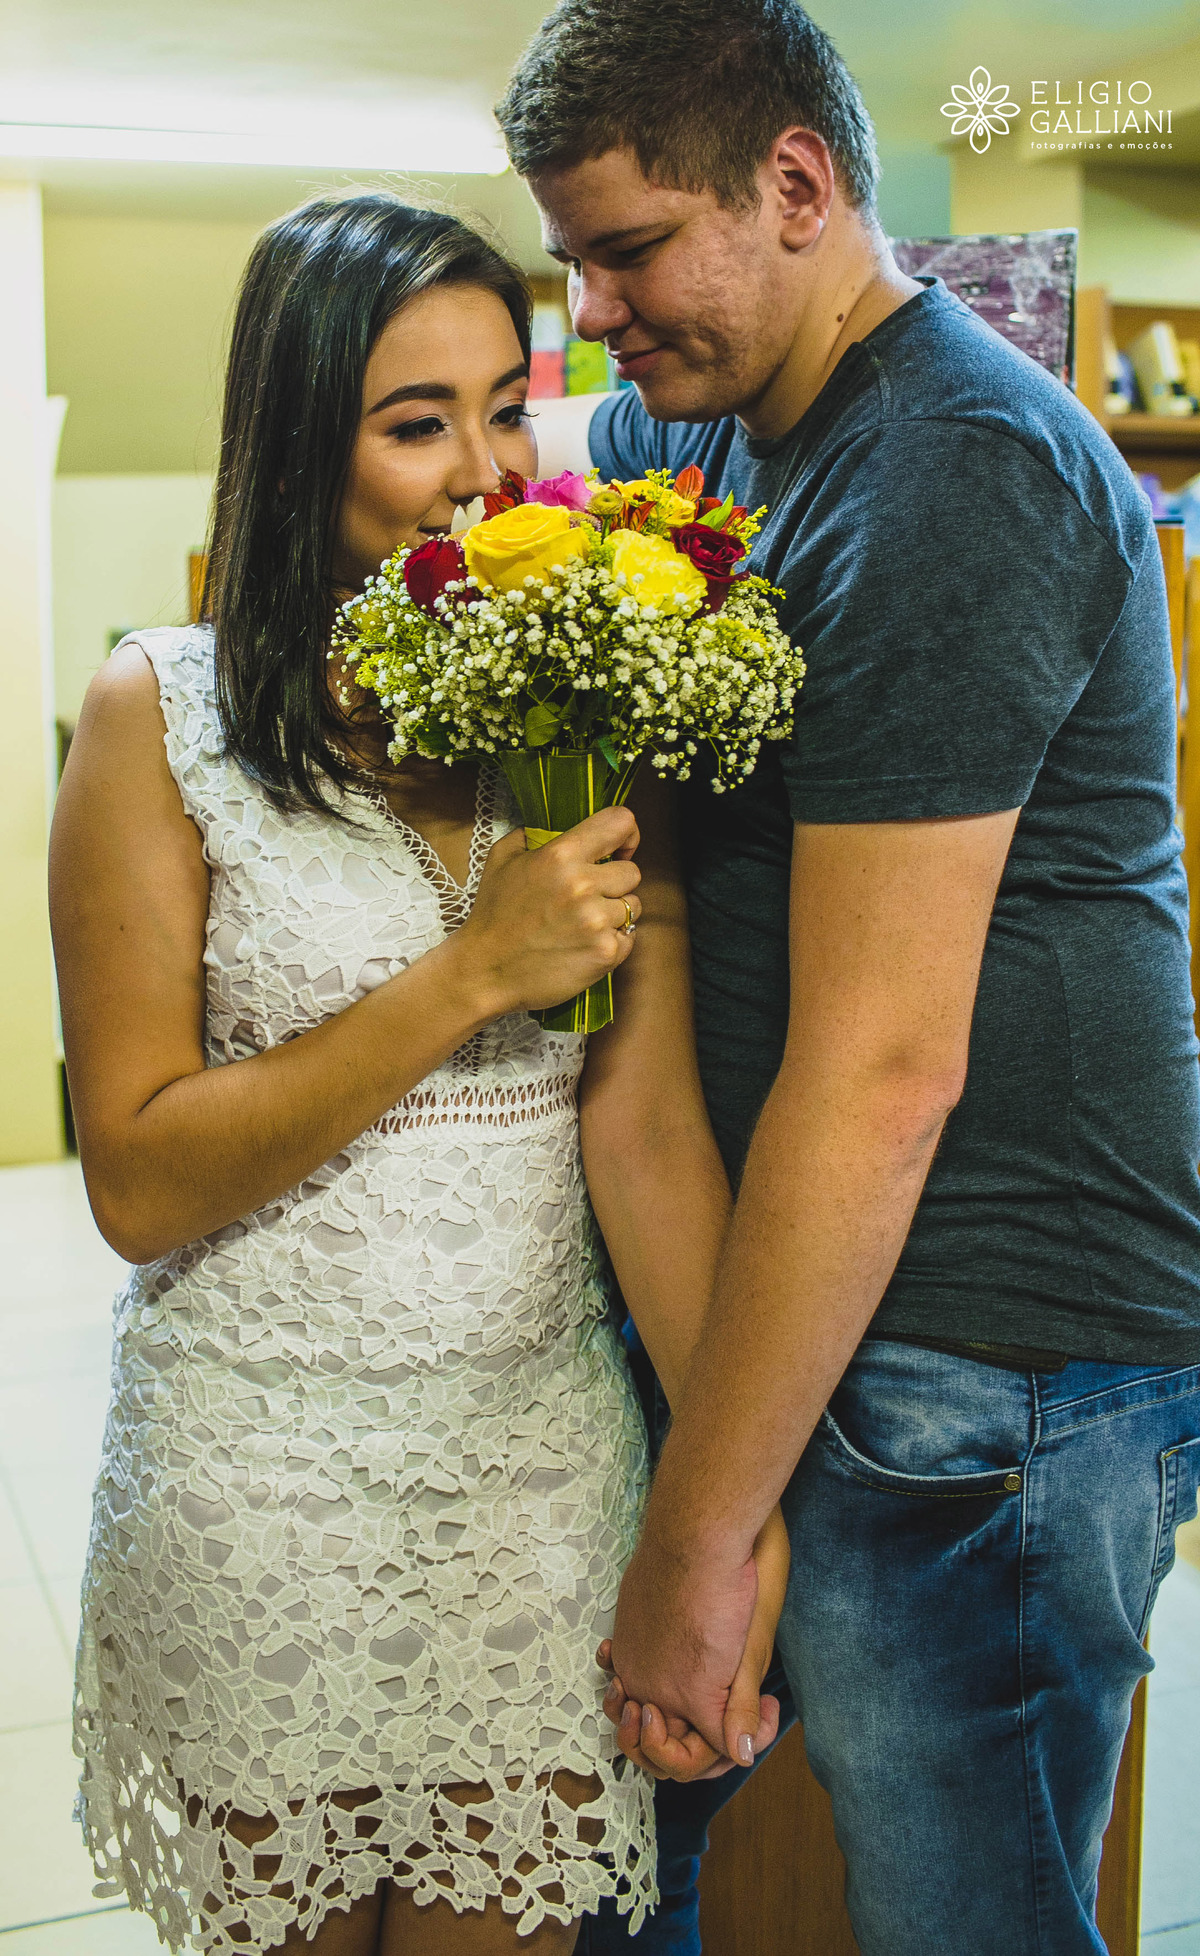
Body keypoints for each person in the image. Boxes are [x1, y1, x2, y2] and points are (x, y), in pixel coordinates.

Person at [496, 3, 1200, 1952]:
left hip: (987, 1349)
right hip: (797, 1301)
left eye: (629, 251)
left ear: (797, 184)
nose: (596, 314)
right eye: (572, 262)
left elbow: (886, 1072)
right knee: (630, 1879)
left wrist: (699, 1536)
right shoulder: (706, 420)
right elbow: (519, 466)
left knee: (963, 1917)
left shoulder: (957, 470)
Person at [50, 191, 786, 1956]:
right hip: (261, 1483)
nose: (482, 474)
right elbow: (137, 1179)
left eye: (505, 408)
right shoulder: (162, 716)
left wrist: (730, 1502)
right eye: (414, 423)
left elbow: (645, 1132)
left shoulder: (582, 697)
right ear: (301, 443)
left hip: (537, 1476)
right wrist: (469, 976)